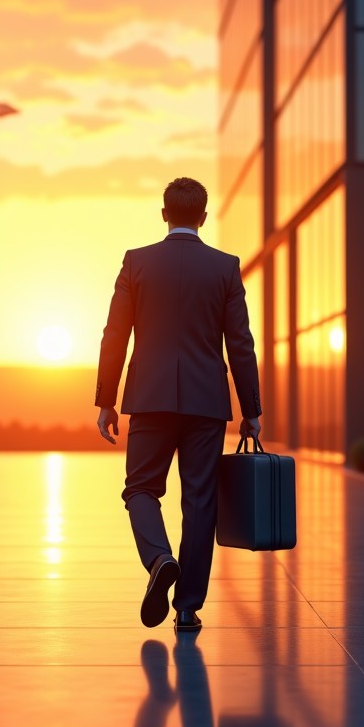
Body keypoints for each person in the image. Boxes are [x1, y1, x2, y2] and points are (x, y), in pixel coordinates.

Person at [95, 177, 262, 632]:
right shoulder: (225, 268)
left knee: (141, 489)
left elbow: (115, 335)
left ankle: (159, 559)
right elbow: (240, 344)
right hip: (207, 402)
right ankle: (187, 607)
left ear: (164, 214)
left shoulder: (137, 263)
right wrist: (252, 409)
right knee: (200, 501)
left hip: (149, 400)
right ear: (203, 218)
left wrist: (106, 400)